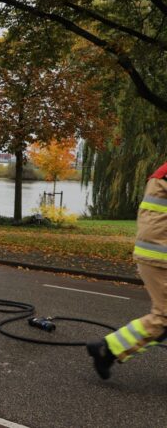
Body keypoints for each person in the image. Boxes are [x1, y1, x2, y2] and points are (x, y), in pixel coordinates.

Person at [87, 162, 167, 379]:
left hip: (157, 253)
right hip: (160, 257)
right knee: (163, 319)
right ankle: (107, 349)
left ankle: (107, 351)